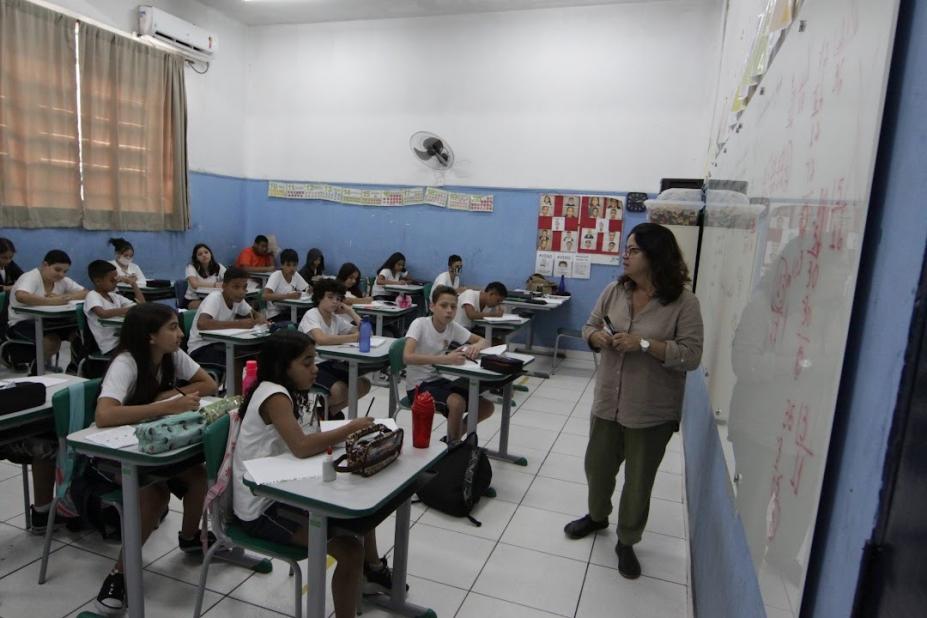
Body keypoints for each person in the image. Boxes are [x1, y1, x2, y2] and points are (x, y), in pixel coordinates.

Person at [563, 223, 703, 580]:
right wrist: (599, 339)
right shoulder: (614, 291)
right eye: (626, 249)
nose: (625, 255)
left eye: (634, 250)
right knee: (597, 467)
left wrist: (643, 344)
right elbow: (588, 328)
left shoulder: (684, 303)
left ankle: (627, 541)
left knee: (638, 480)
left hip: (651, 408)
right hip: (608, 400)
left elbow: (691, 355)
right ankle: (597, 517)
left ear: (656, 256)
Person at [232, 330, 404, 618]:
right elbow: (300, 447)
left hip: (285, 486)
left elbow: (306, 436)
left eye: (315, 361)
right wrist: (350, 428)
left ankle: (369, 575)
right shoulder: (274, 395)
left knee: (359, 514)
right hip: (261, 507)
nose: (315, 370)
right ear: (282, 366)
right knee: (350, 551)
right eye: (307, 363)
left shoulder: (287, 391)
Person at [92, 303, 219, 614]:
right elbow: (105, 414)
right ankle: (119, 574)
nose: (181, 333)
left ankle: (190, 538)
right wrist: (164, 406)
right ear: (151, 336)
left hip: (158, 445)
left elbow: (209, 384)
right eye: (173, 327)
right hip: (116, 451)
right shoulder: (126, 363)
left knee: (199, 477)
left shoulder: (172, 354)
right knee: (155, 495)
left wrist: (169, 397)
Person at [403, 285, 492, 443]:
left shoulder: (452, 327)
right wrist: (445, 359)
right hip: (417, 387)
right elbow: (407, 357)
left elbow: (483, 341)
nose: (449, 311)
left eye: (453, 307)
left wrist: (475, 347)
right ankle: (453, 446)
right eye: (443, 305)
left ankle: (452, 441)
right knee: (457, 402)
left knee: (485, 406)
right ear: (432, 306)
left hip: (438, 381)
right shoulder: (420, 324)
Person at [186, 266, 267, 393]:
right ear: (224, 286)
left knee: (257, 354)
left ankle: (254, 394)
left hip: (220, 344)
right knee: (237, 359)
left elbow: (255, 314)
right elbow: (202, 324)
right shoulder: (215, 298)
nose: (241, 292)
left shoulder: (238, 300)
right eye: (236, 287)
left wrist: (260, 319)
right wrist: (239, 324)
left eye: (244, 287)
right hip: (201, 348)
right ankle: (236, 398)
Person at [298, 279, 370, 419]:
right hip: (312, 365)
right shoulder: (312, 314)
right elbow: (322, 339)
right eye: (330, 297)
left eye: (338, 298)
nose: (335, 302)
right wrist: (353, 337)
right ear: (319, 297)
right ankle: (314, 414)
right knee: (339, 391)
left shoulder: (335, 318)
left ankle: (326, 413)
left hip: (331, 363)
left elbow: (366, 332)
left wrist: (350, 311)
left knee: (363, 384)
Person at [8, 249, 87, 372]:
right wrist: (52, 301)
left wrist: (66, 297)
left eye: (65, 271)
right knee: (52, 341)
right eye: (57, 269)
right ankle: (36, 372)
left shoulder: (62, 280)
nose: (61, 274)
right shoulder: (31, 277)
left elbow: (85, 292)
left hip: (50, 322)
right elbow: (21, 296)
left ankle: (73, 369)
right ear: (45, 265)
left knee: (79, 334)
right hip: (22, 322)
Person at [84, 260, 144, 356]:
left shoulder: (114, 296)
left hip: (122, 341)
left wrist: (134, 284)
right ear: (98, 281)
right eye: (112, 280)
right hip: (110, 346)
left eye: (116, 279)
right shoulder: (92, 296)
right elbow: (102, 313)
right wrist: (127, 310)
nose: (116, 282)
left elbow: (142, 306)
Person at [263, 249, 310, 323]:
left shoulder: (295, 274)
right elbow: (265, 296)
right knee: (299, 323)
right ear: (282, 265)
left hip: (288, 312)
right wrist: (288, 296)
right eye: (288, 265)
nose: (292, 268)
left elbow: (306, 288)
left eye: (294, 265)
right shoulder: (276, 275)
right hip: (274, 315)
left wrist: (310, 290)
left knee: (307, 318)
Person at [184, 243, 226, 310]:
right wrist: (215, 284)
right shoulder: (191, 267)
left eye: (206, 252)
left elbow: (230, 278)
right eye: (200, 254)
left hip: (213, 298)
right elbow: (194, 284)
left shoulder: (218, 266)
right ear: (196, 258)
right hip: (193, 299)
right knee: (210, 307)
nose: (204, 255)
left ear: (210, 254)